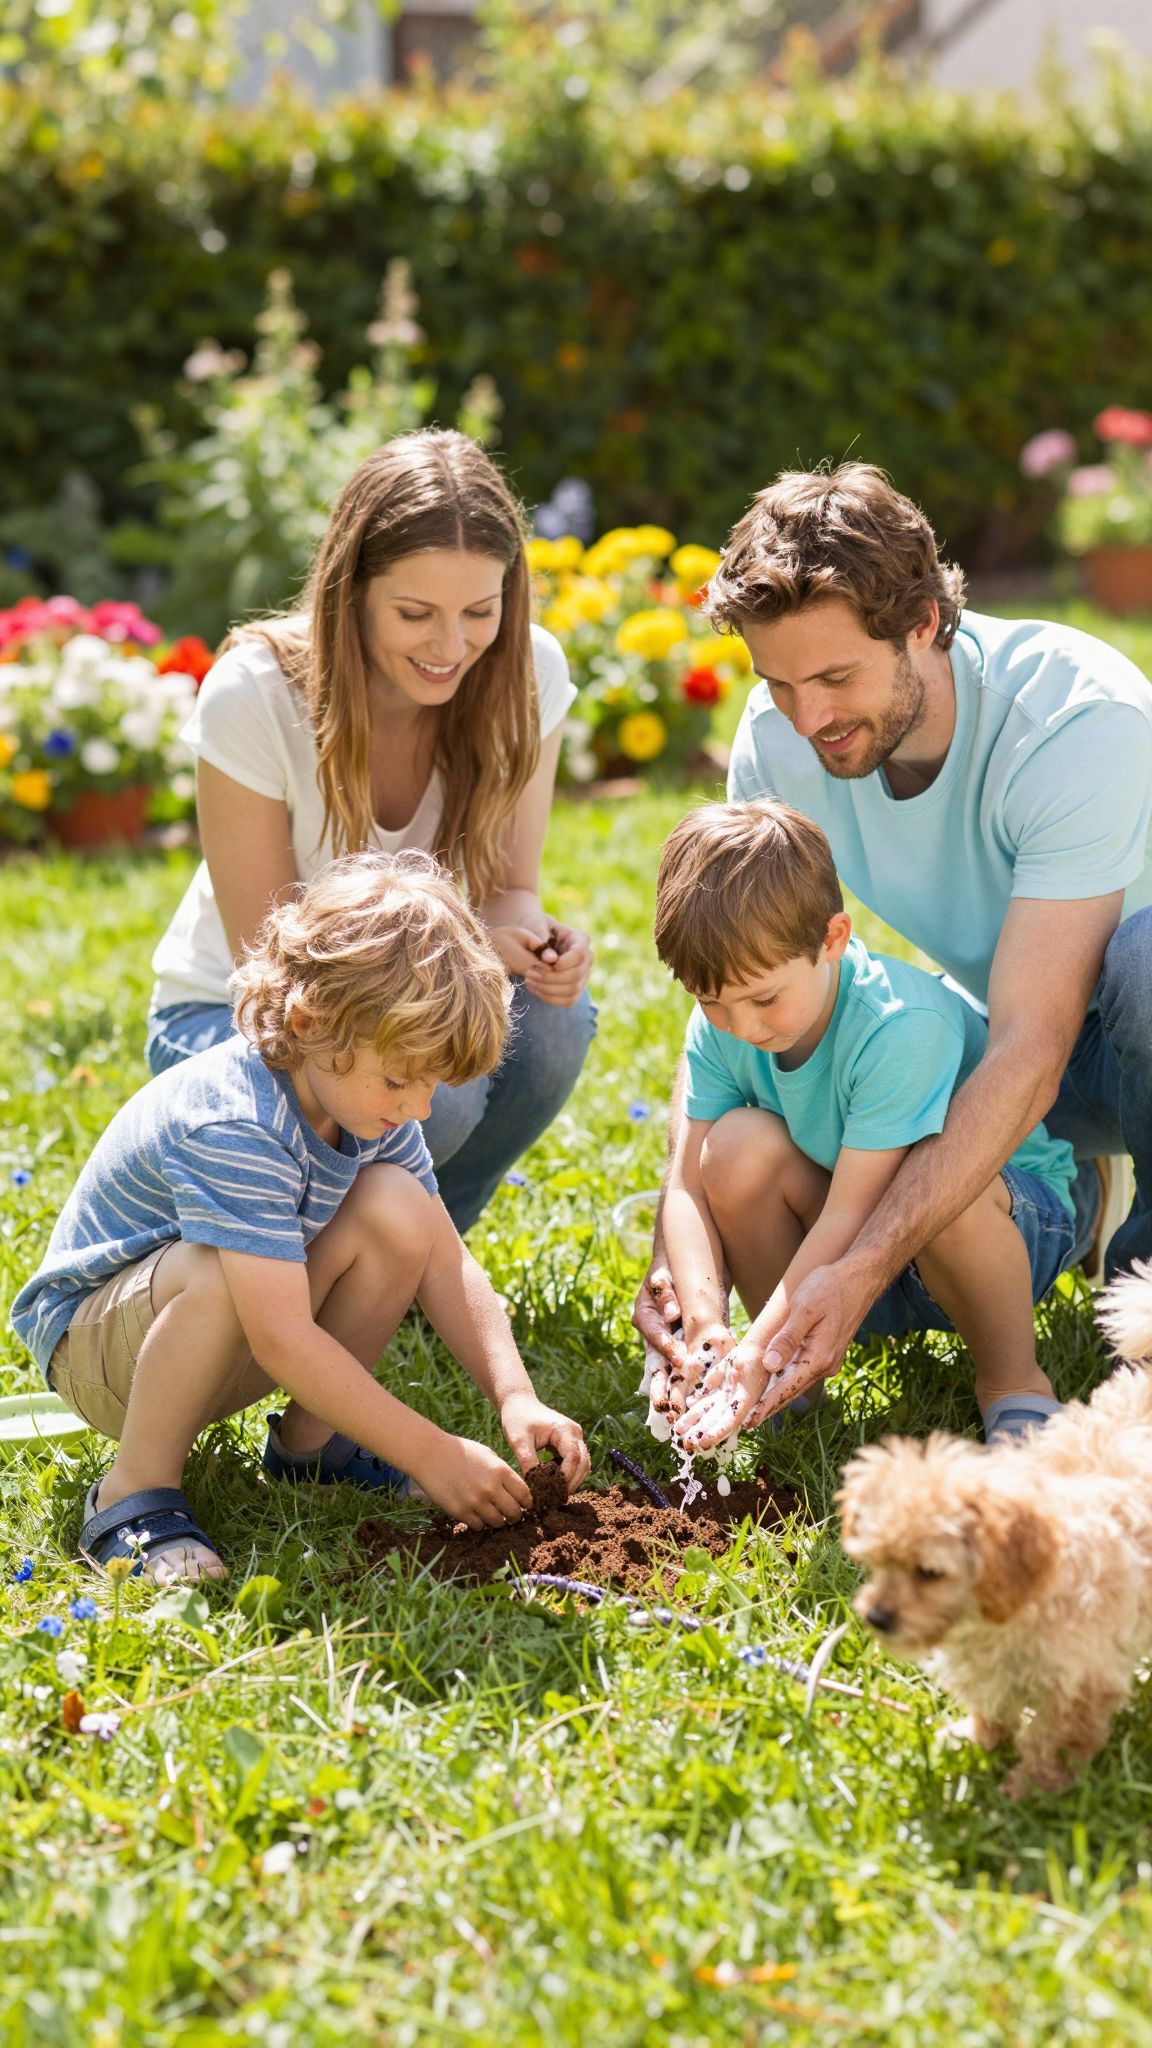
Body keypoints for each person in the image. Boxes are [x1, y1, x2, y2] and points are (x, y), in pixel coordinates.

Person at [635, 462, 1152, 1420]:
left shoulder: (1076, 721)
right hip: (1004, 1046)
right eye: (780, 682)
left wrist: (865, 1266)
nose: (810, 717)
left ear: (925, 623)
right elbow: (743, 955)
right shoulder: (779, 736)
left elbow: (1033, 1046)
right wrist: (682, 1242)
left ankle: (1138, 1314)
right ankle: (1063, 1184)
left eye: (836, 676)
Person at [11, 851, 591, 1583]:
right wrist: (430, 1452)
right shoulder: (236, 1122)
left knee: (399, 1211)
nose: (419, 1108)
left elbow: (446, 1261)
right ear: (312, 1021)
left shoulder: (363, 1097)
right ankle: (133, 1490)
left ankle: (310, 1450)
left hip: (217, 1331)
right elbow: (281, 1339)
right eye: (401, 1080)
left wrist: (516, 1395)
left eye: (431, 1083)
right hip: (101, 1355)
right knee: (222, 1267)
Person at [145, 429, 595, 1233]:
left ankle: (423, 1245)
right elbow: (274, 977)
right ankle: (344, 1258)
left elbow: (507, 892)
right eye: (415, 613)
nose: (450, 646)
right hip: (236, 1019)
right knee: (432, 1091)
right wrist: (462, 960)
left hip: (391, 1004)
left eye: (480, 611)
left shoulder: (529, 672)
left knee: (554, 1023)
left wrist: (528, 935)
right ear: (350, 592)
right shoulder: (254, 694)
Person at [650, 799, 1083, 1452]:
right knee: (732, 1151)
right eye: (712, 1002)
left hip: (1003, 1228)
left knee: (943, 1185)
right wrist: (708, 1328)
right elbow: (685, 1187)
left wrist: (755, 1339)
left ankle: (1013, 1383)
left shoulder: (899, 1027)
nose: (740, 1025)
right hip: (845, 1252)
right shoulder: (730, 1012)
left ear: (832, 939)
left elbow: (851, 1217)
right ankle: (783, 1378)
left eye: (764, 999)